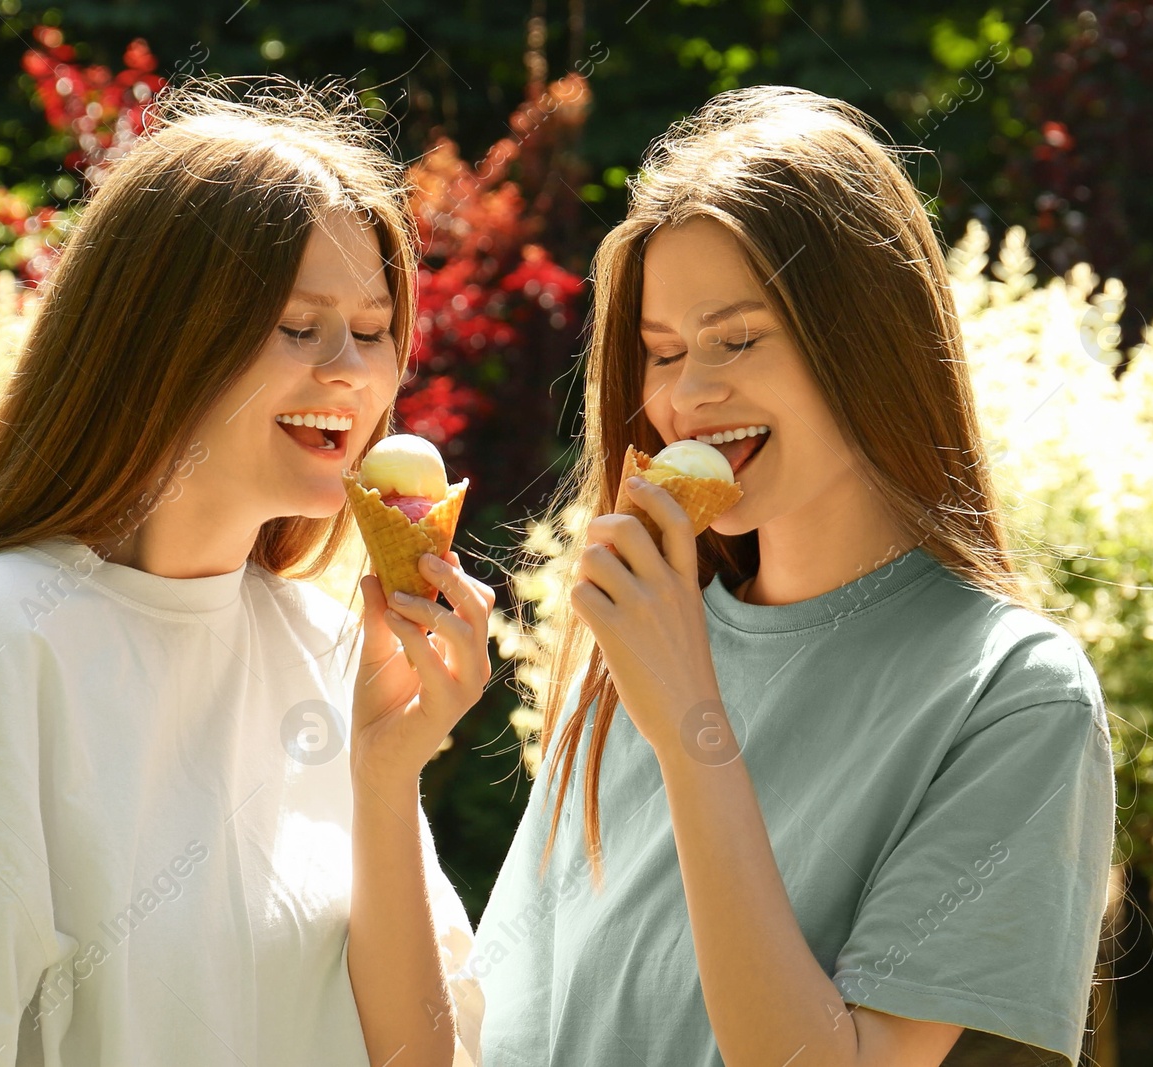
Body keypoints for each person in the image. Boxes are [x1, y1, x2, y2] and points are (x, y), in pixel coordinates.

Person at [0, 81, 492, 1066]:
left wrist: (384, 774)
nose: (349, 369)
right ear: (159, 341)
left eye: (374, 328)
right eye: (298, 326)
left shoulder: (331, 649)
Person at [473, 86, 1116, 1067]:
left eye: (737, 338)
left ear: (866, 340)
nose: (687, 395)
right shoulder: (637, 659)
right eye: (662, 352)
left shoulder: (1013, 693)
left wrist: (694, 730)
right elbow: (502, 1032)